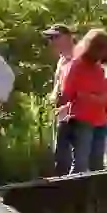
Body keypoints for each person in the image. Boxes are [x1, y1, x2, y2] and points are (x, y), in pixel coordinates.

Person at [60, 29, 107, 174]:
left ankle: (94, 195)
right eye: (100, 50)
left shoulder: (99, 70)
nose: (102, 55)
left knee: (97, 166)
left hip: (100, 122)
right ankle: (73, 193)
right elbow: (66, 95)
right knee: (80, 164)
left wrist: (90, 97)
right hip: (81, 121)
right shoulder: (74, 67)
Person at [43, 24, 76, 175]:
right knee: (61, 159)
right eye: (50, 38)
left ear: (69, 37)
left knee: (81, 162)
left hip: (78, 115)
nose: (52, 41)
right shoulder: (61, 61)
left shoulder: (80, 59)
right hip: (62, 115)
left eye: (56, 37)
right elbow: (58, 86)